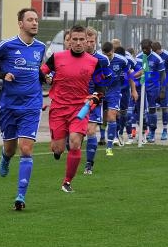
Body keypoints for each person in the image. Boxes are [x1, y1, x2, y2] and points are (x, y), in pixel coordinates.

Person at [0, 8, 45, 210]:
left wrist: (46, 78)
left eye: (36, 19)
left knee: (26, 149)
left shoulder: (41, 47)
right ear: (20, 23)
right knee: (10, 148)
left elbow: (38, 72)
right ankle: (5, 158)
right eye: (30, 20)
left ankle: (20, 196)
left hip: (32, 104)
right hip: (9, 105)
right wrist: (3, 75)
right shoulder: (7, 45)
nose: (35, 23)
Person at [41, 25, 107, 192]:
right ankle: (56, 148)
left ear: (86, 41)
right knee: (58, 148)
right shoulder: (57, 57)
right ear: (69, 41)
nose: (78, 43)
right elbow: (42, 72)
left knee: (76, 143)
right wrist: (47, 77)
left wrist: (95, 99)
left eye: (81, 39)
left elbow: (101, 87)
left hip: (80, 108)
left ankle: (67, 182)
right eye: (74, 39)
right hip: (58, 108)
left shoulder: (95, 62)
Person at [83, 27, 112, 175]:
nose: (89, 44)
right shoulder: (75, 56)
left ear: (96, 42)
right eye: (86, 41)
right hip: (75, 100)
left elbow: (107, 79)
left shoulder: (102, 60)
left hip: (93, 100)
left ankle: (89, 164)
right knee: (73, 135)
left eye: (92, 41)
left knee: (90, 131)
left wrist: (98, 93)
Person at [100, 41, 137, 155]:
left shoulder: (122, 60)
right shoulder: (99, 59)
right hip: (101, 90)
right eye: (105, 55)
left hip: (114, 92)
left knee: (112, 116)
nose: (107, 57)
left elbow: (130, 75)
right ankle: (102, 137)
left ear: (113, 51)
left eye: (109, 55)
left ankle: (109, 146)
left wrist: (134, 90)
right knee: (104, 117)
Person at [135, 39, 165, 143]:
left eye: (146, 49)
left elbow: (162, 75)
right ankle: (143, 131)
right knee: (140, 110)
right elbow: (134, 73)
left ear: (151, 47)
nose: (144, 51)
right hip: (140, 86)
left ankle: (152, 132)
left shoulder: (157, 58)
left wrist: (163, 90)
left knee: (152, 109)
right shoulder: (138, 57)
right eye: (142, 49)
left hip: (153, 87)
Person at [151, 41, 168, 141]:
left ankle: (165, 130)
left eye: (155, 52)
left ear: (158, 50)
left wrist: (166, 82)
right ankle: (151, 131)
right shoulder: (150, 56)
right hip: (152, 85)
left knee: (164, 108)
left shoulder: (167, 55)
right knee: (151, 108)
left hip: (163, 85)